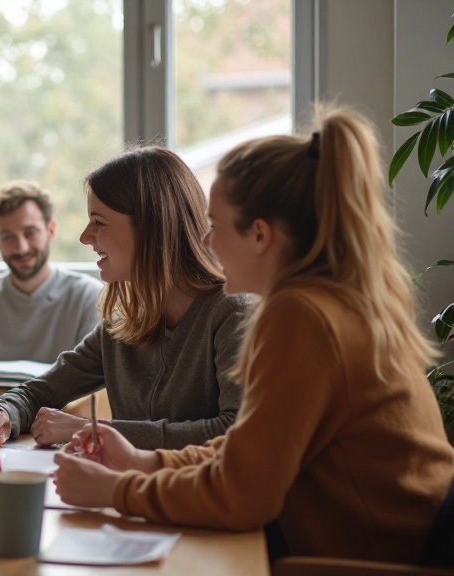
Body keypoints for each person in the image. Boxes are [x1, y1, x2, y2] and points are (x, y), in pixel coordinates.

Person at [52, 108, 454, 564]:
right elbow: (250, 446)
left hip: (372, 561)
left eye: (216, 227)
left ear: (260, 235)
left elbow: (243, 497)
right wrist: (147, 463)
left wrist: (119, 489)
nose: (204, 244)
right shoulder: (330, 301)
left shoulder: (301, 315)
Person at [0, 147, 251, 449]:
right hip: (127, 489)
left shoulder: (233, 313)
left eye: (98, 222)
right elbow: (41, 391)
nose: (85, 236)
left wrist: (94, 431)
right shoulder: (126, 321)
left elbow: (236, 432)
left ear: (150, 226)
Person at [0, 180, 103, 363]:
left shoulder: (88, 296)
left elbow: (93, 380)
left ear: (50, 230)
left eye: (30, 233)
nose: (21, 248)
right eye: (8, 236)